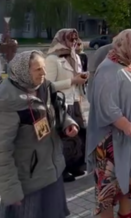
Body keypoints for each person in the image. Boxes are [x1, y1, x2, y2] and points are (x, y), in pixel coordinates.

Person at [0, 50, 79, 218]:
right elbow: (1, 150)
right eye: (38, 69)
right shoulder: (8, 100)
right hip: (29, 182)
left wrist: (67, 123)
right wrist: (10, 191)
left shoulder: (44, 86)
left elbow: (57, 110)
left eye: (44, 68)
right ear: (24, 71)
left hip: (52, 172)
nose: (44, 73)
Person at [86, 29, 131, 218]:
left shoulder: (130, 64)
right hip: (112, 140)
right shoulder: (109, 68)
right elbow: (106, 105)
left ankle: (126, 213)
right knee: (108, 185)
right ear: (123, 44)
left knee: (128, 178)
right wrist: (126, 125)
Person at [45, 28, 89, 182]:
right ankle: (62, 169)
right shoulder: (52, 59)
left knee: (78, 136)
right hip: (62, 102)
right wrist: (72, 81)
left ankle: (74, 165)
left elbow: (77, 79)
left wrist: (83, 79)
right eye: (71, 40)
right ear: (62, 39)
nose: (74, 43)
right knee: (64, 137)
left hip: (77, 100)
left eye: (75, 40)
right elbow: (48, 85)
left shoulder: (76, 57)